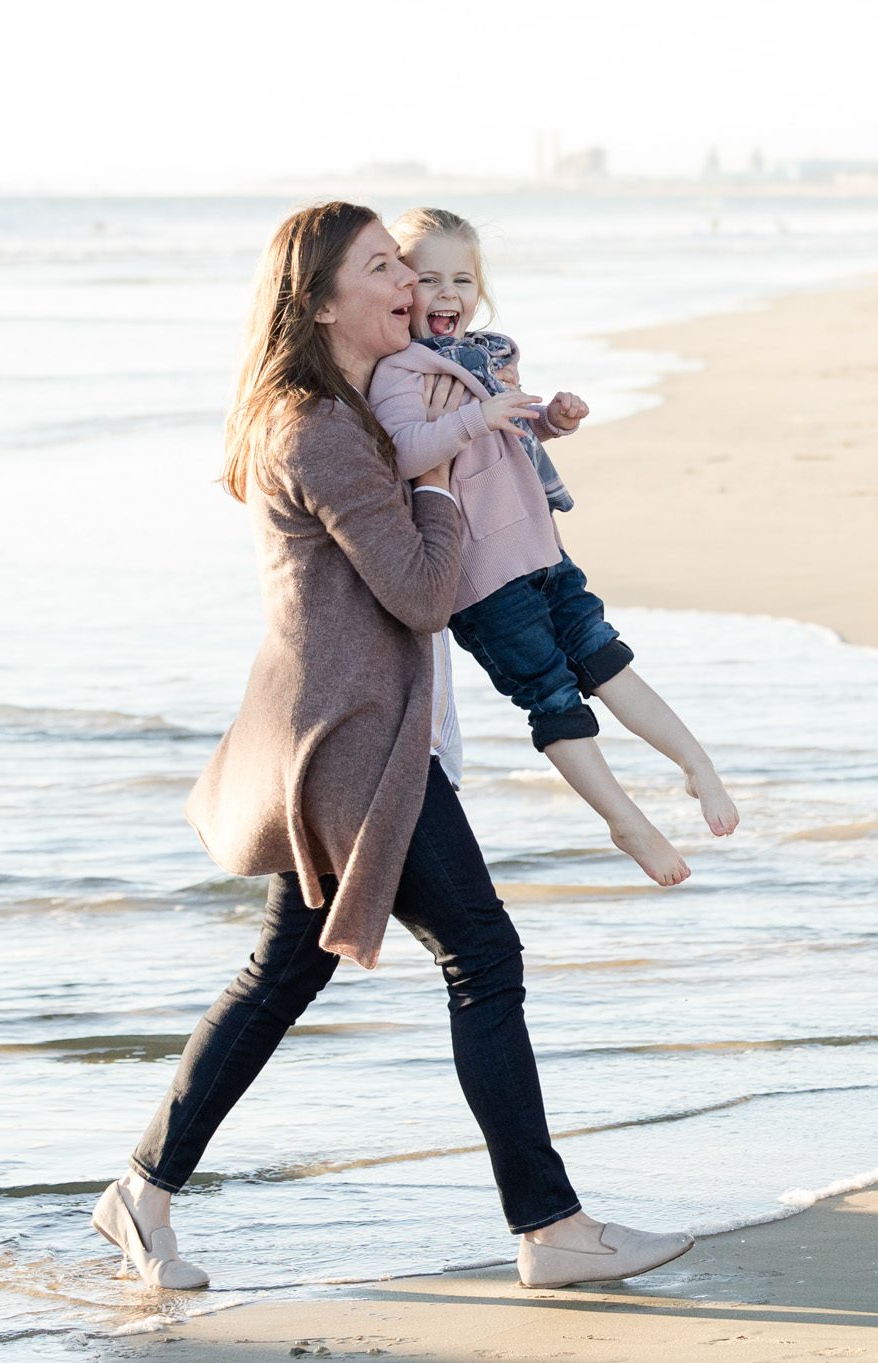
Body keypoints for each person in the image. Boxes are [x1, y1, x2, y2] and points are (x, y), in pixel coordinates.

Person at [91, 201, 693, 1293]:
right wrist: (434, 478)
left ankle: (140, 1192)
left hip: (340, 731)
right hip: (356, 745)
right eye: (381, 269)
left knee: (282, 975)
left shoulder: (351, 408)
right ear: (321, 303)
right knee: (482, 955)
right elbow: (418, 595)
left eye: (405, 266)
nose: (407, 284)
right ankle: (551, 1230)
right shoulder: (316, 429)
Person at [368, 207, 738, 890]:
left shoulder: (490, 354)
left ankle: (696, 762)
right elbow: (409, 451)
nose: (448, 294)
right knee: (553, 695)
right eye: (428, 279)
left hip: (540, 546)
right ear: (399, 287)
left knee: (607, 657)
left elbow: (515, 436)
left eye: (463, 279)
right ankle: (624, 819)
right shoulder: (398, 373)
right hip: (479, 577)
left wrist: (551, 420)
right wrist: (476, 415)